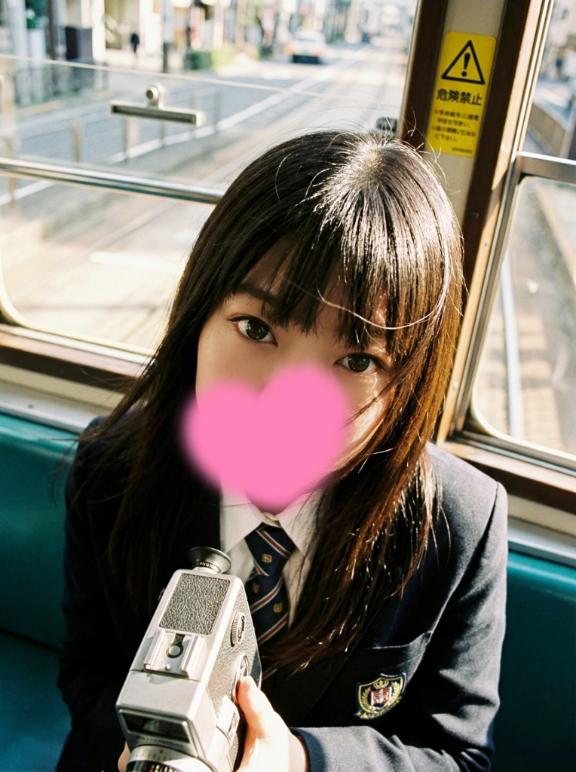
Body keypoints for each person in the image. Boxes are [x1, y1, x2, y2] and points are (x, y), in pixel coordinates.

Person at [56, 130, 507, 771]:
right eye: (256, 328)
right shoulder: (113, 467)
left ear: (408, 386)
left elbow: (455, 754)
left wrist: (300, 760)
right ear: (197, 319)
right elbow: (88, 670)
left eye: (357, 360)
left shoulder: (458, 523)